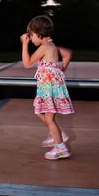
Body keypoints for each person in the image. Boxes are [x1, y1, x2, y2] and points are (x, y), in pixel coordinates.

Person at [20, 15, 74, 160]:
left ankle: (60, 148)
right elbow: (68, 54)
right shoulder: (52, 46)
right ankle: (56, 134)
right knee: (39, 111)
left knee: (49, 119)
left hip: (49, 88)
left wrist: (24, 44)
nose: (30, 39)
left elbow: (27, 63)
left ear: (39, 33)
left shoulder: (45, 47)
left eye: (31, 36)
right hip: (49, 87)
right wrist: (59, 70)